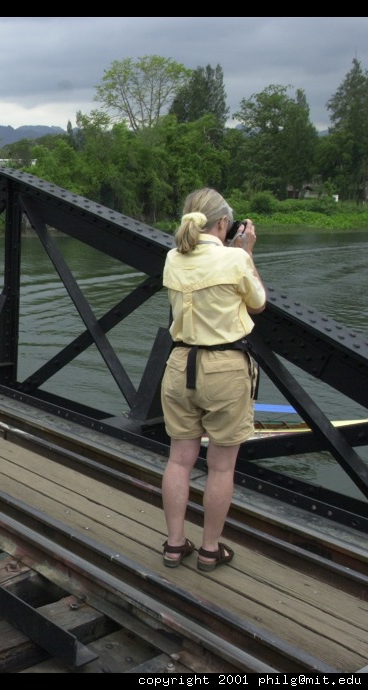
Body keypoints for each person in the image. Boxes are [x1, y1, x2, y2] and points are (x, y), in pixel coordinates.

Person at [159, 188, 266, 574]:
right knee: (220, 467)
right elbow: (258, 302)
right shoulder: (235, 257)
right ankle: (208, 550)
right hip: (225, 368)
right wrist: (247, 250)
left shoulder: (172, 257)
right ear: (223, 223)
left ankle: (174, 545)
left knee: (179, 460)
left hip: (179, 364)